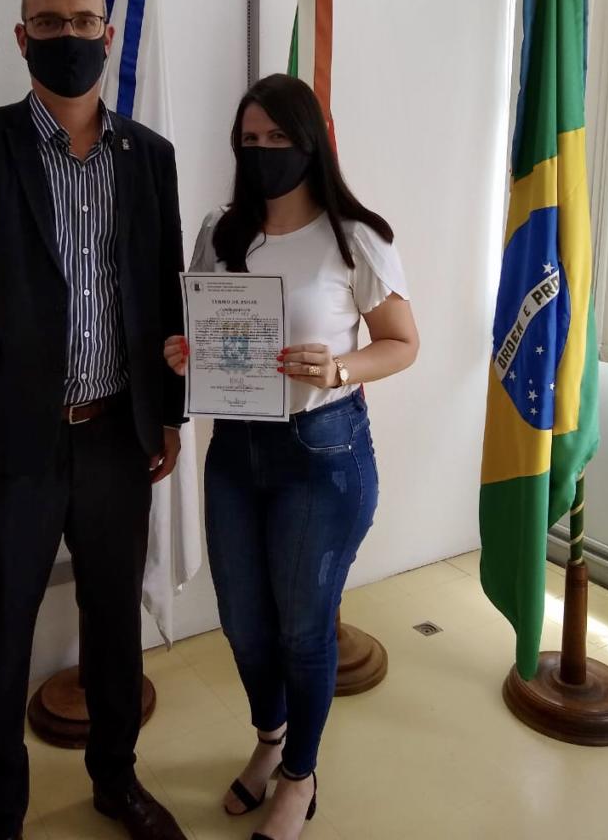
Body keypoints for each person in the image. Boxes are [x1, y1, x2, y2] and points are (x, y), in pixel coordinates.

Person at [0, 0, 188, 840]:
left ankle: (116, 781)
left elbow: (163, 296)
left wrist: (169, 413)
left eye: (85, 21)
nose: (70, 36)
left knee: (114, 626)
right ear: (22, 38)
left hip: (116, 439)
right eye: (50, 23)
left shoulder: (150, 156)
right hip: (1, 450)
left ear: (109, 34)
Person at [164, 74, 419, 840]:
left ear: (311, 143)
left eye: (279, 137)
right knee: (243, 623)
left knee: (304, 630)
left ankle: (300, 777)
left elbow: (402, 343)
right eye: (251, 139)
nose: (264, 151)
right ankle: (271, 740)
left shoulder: (355, 236)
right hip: (234, 452)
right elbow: (201, 327)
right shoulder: (220, 229)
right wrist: (186, 352)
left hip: (322, 453)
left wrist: (340, 367)